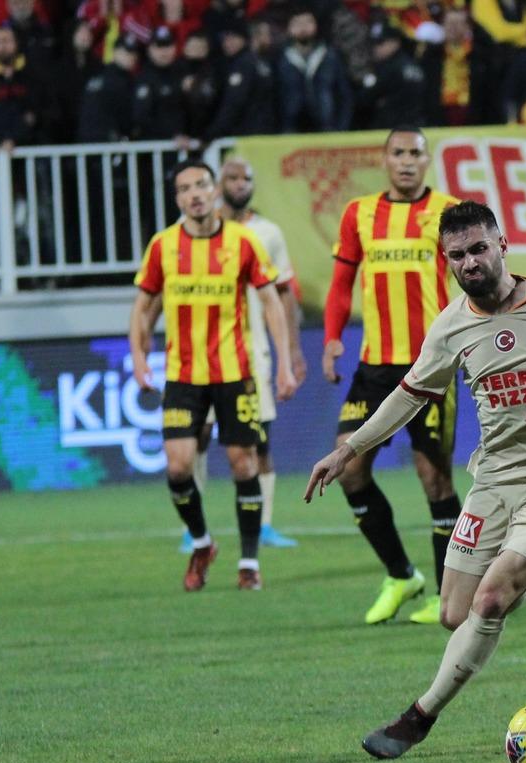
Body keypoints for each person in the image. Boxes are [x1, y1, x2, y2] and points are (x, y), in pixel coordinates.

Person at [304, 200, 526, 760]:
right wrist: (349, 450)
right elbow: (408, 395)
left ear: (502, 244)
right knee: (454, 613)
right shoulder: (451, 327)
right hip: (494, 477)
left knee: (492, 599)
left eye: (479, 248)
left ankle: (417, 717)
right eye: (457, 255)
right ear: (445, 260)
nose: (470, 262)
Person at [129, 159, 297, 592]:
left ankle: (249, 563)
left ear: (214, 190)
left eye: (201, 184)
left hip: (235, 373)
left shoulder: (243, 242)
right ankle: (202, 543)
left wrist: (282, 362)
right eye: (185, 189)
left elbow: (271, 303)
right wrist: (138, 354)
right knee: (178, 466)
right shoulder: (163, 246)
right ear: (178, 198)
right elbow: (143, 306)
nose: (195, 194)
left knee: (244, 465)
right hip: (183, 375)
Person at [323, 126, 462, 626]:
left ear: (428, 160)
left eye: (415, 154)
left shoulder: (449, 211)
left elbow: (474, 279)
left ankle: (448, 594)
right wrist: (332, 338)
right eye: (398, 153)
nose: (406, 162)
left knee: (434, 476)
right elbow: (342, 283)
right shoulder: (359, 213)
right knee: (350, 467)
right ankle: (401, 574)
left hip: (432, 363)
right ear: (384, 159)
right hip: (374, 365)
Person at [172, 156, 308, 553]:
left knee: (258, 442)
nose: (239, 183)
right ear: (217, 185)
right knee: (195, 436)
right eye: (231, 177)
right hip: (200, 359)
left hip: (252, 353)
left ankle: (263, 525)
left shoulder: (266, 233)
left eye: (246, 177)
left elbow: (284, 294)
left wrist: (293, 352)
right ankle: (192, 528)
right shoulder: (190, 235)